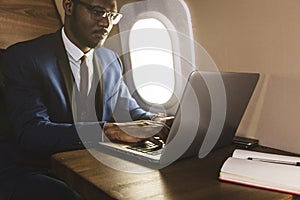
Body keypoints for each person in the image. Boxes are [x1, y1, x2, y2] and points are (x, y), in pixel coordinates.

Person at [0, 0, 172, 199]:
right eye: (98, 12)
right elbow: (31, 132)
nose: (106, 23)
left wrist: (161, 122)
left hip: (89, 164)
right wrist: (107, 130)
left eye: (111, 16)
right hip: (33, 167)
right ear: (69, 6)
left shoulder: (110, 60)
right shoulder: (24, 57)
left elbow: (130, 111)